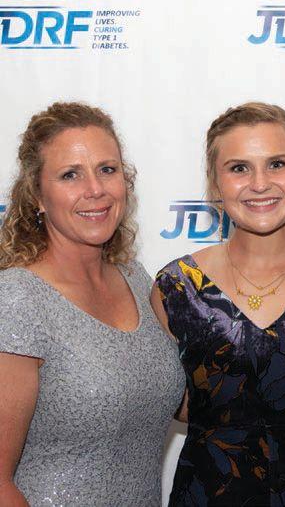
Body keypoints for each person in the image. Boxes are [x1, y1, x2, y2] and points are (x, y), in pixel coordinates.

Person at [152, 102, 285, 506]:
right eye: (239, 168)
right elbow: (163, 397)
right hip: (208, 493)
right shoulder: (176, 287)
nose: (259, 183)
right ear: (215, 183)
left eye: (277, 164)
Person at [0, 102, 185, 507]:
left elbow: (184, 404)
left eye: (107, 169)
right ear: (37, 195)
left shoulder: (136, 279)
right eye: (70, 174)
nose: (95, 189)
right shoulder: (17, 299)